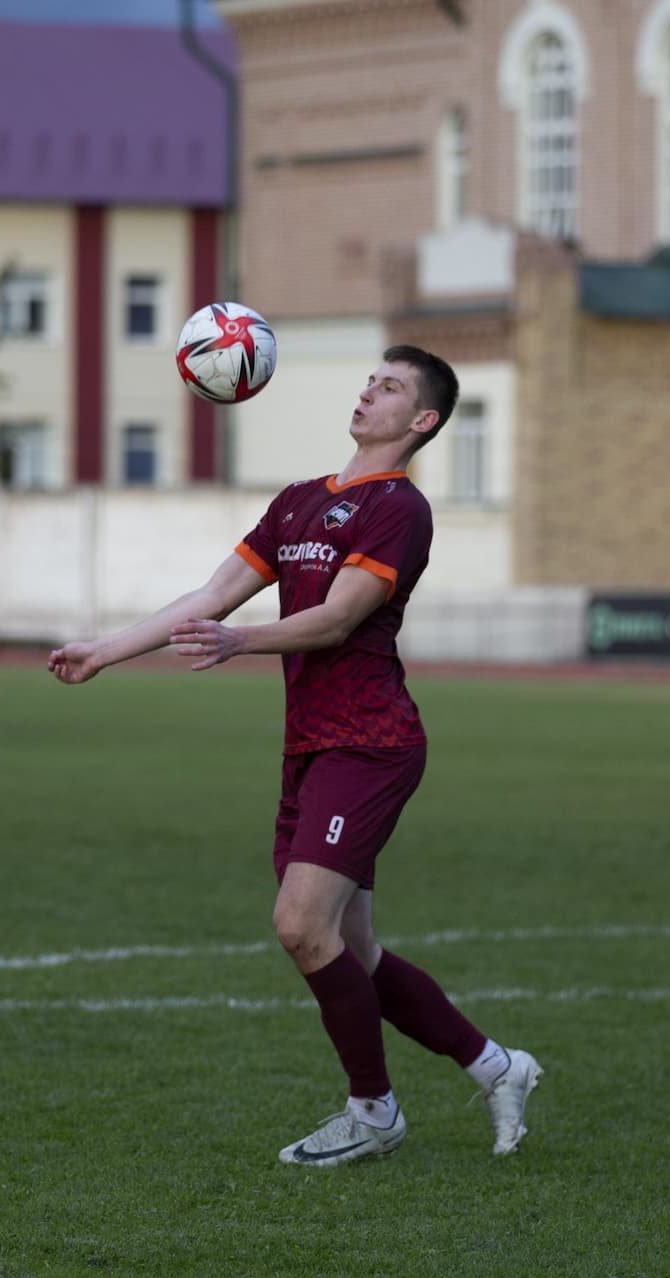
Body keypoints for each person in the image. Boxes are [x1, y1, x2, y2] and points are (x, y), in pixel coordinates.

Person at [48, 345, 542, 1166]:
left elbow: (338, 619)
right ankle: (498, 1067)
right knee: (357, 952)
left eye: (389, 387)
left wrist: (238, 641)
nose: (367, 392)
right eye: (370, 380)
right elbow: (211, 595)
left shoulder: (399, 509)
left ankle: (374, 1111)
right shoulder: (299, 502)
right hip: (312, 745)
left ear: (421, 421)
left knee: (300, 926)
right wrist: (106, 650)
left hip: (371, 744)